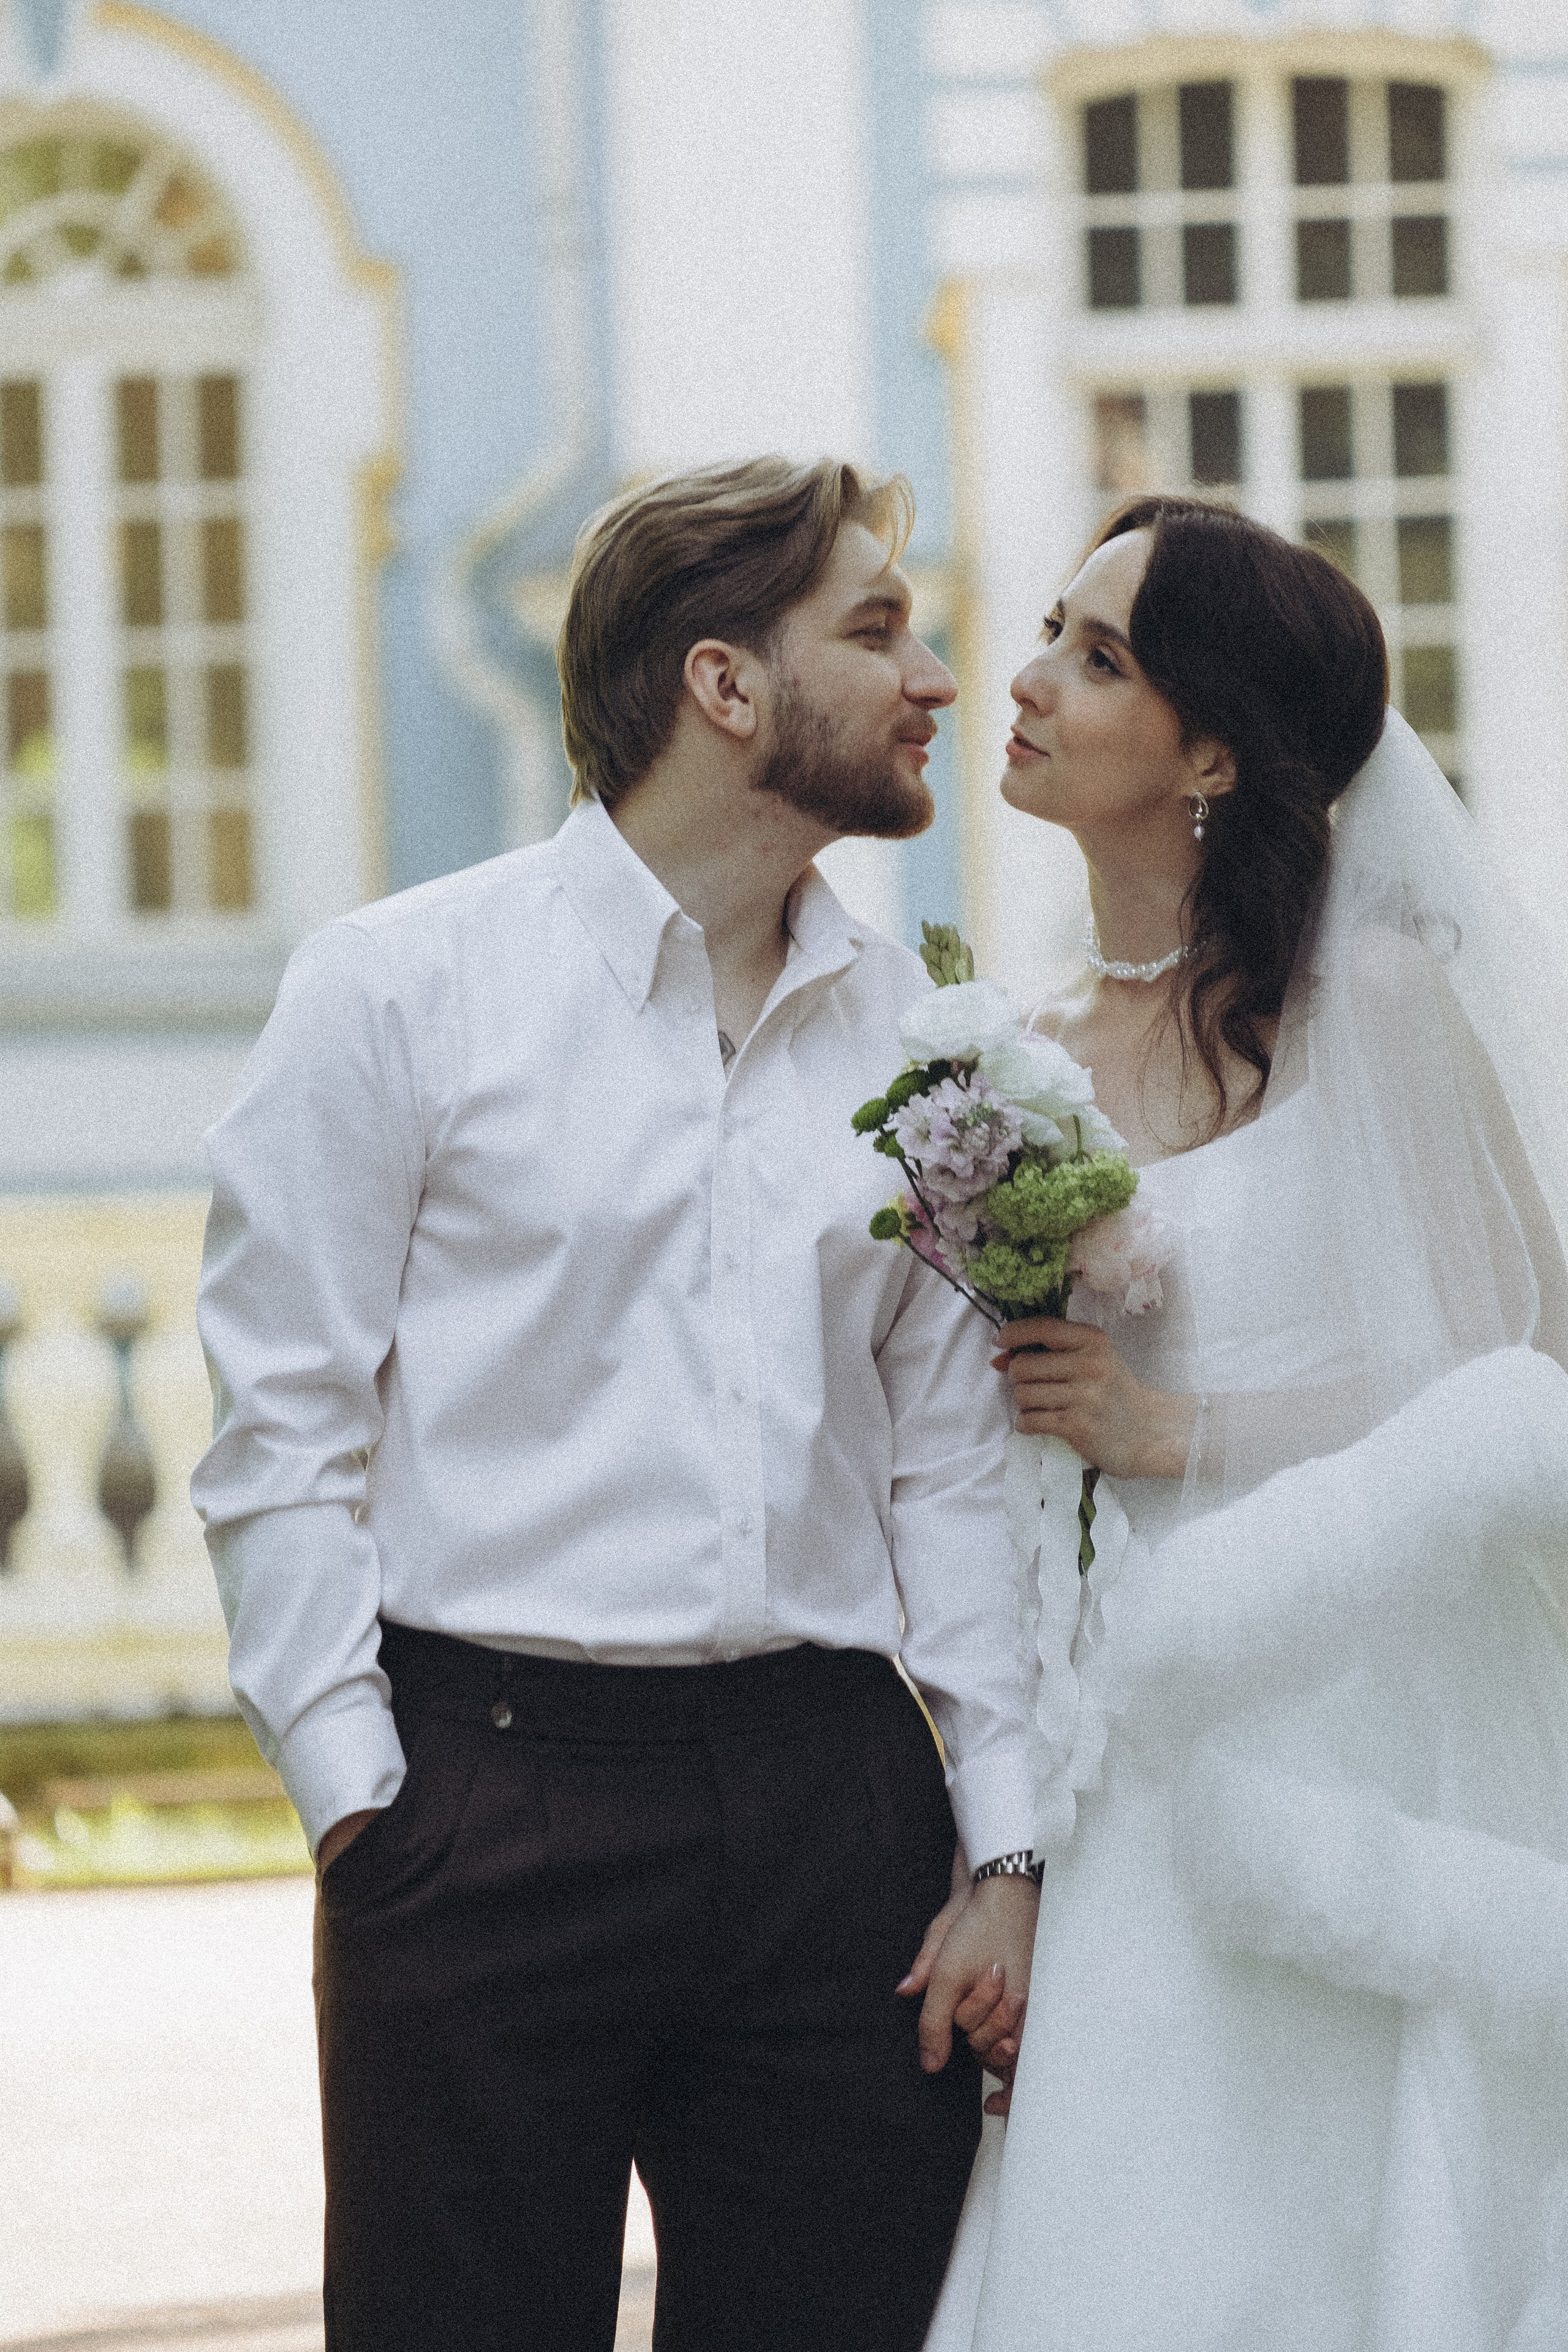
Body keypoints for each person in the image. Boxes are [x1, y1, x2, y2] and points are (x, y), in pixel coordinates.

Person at [191, 455, 1041, 2352]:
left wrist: (1002, 1847)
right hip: (485, 1800)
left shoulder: (918, 1039)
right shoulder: (396, 995)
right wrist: (362, 1809)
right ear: (725, 684)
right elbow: (280, 1438)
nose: (938, 680)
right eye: (879, 629)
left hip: (841, 1833)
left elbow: (952, 1470)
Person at [926, 497, 1568, 2350]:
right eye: (1051, 631)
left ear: (1212, 751)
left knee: (1320, 2213)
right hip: (1108, 1722)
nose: (1027, 682)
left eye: (1098, 658)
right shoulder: (1007, 1055)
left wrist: (1174, 1425)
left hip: (1338, 1711)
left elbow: (1508, 1365)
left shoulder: (1364, 998)